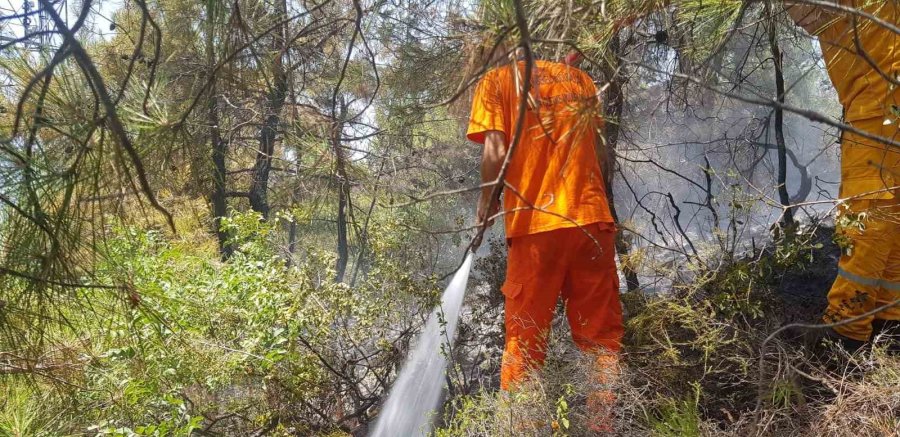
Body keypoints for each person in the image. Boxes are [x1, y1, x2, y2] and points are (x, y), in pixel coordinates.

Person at [467, 43, 622, 430]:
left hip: (537, 229)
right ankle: (602, 427)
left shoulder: (497, 81)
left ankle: (520, 428)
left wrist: (487, 203)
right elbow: (600, 155)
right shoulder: (582, 81)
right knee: (600, 341)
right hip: (591, 223)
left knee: (525, 341)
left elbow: (495, 148)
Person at [784, 1, 900, 351]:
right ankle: (890, 317)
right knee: (892, 213)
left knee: (866, 213)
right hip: (882, 102)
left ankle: (844, 329)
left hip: (878, 105)